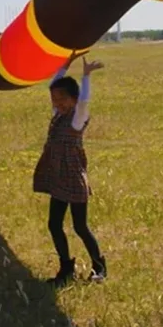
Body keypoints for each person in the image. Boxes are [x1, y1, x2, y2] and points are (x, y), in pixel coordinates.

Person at [33, 52, 107, 287]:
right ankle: (66, 269)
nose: (57, 103)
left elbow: (85, 100)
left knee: (80, 226)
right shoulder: (58, 115)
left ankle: (100, 267)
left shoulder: (77, 118)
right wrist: (65, 65)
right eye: (54, 100)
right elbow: (53, 85)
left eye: (62, 99)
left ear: (74, 99)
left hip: (73, 180)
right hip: (57, 178)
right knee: (54, 224)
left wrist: (85, 77)